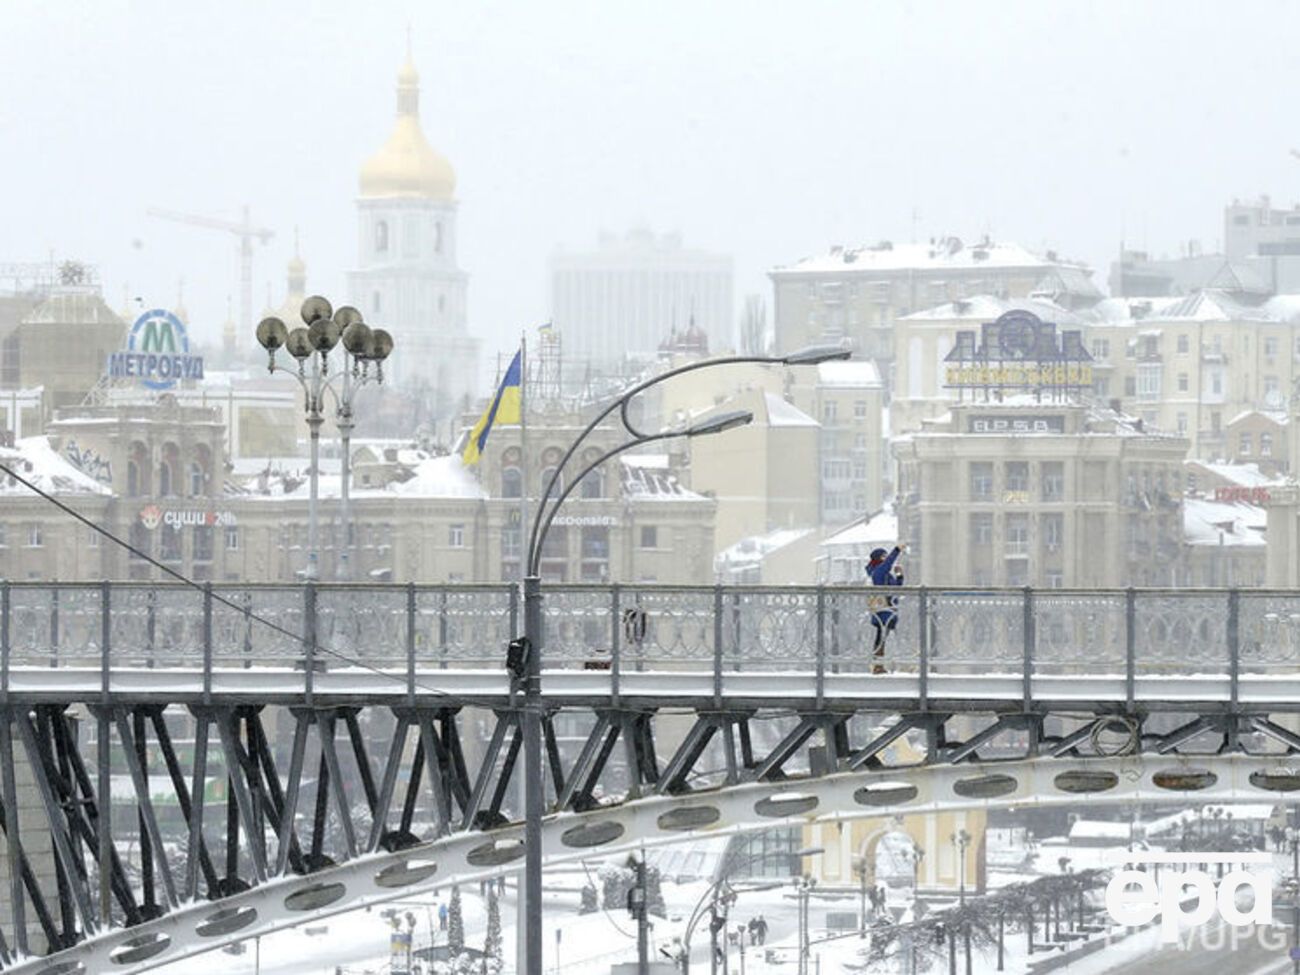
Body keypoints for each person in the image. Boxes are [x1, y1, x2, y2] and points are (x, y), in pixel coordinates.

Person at [865, 544, 906, 674]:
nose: (886, 558)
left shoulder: (885, 574)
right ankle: (877, 665)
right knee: (881, 637)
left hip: (889, 610)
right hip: (883, 611)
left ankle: (880, 664)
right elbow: (888, 563)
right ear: (878, 559)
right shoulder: (878, 571)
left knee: (883, 637)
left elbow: (895, 589)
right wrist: (897, 549)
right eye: (883, 556)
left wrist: (899, 576)